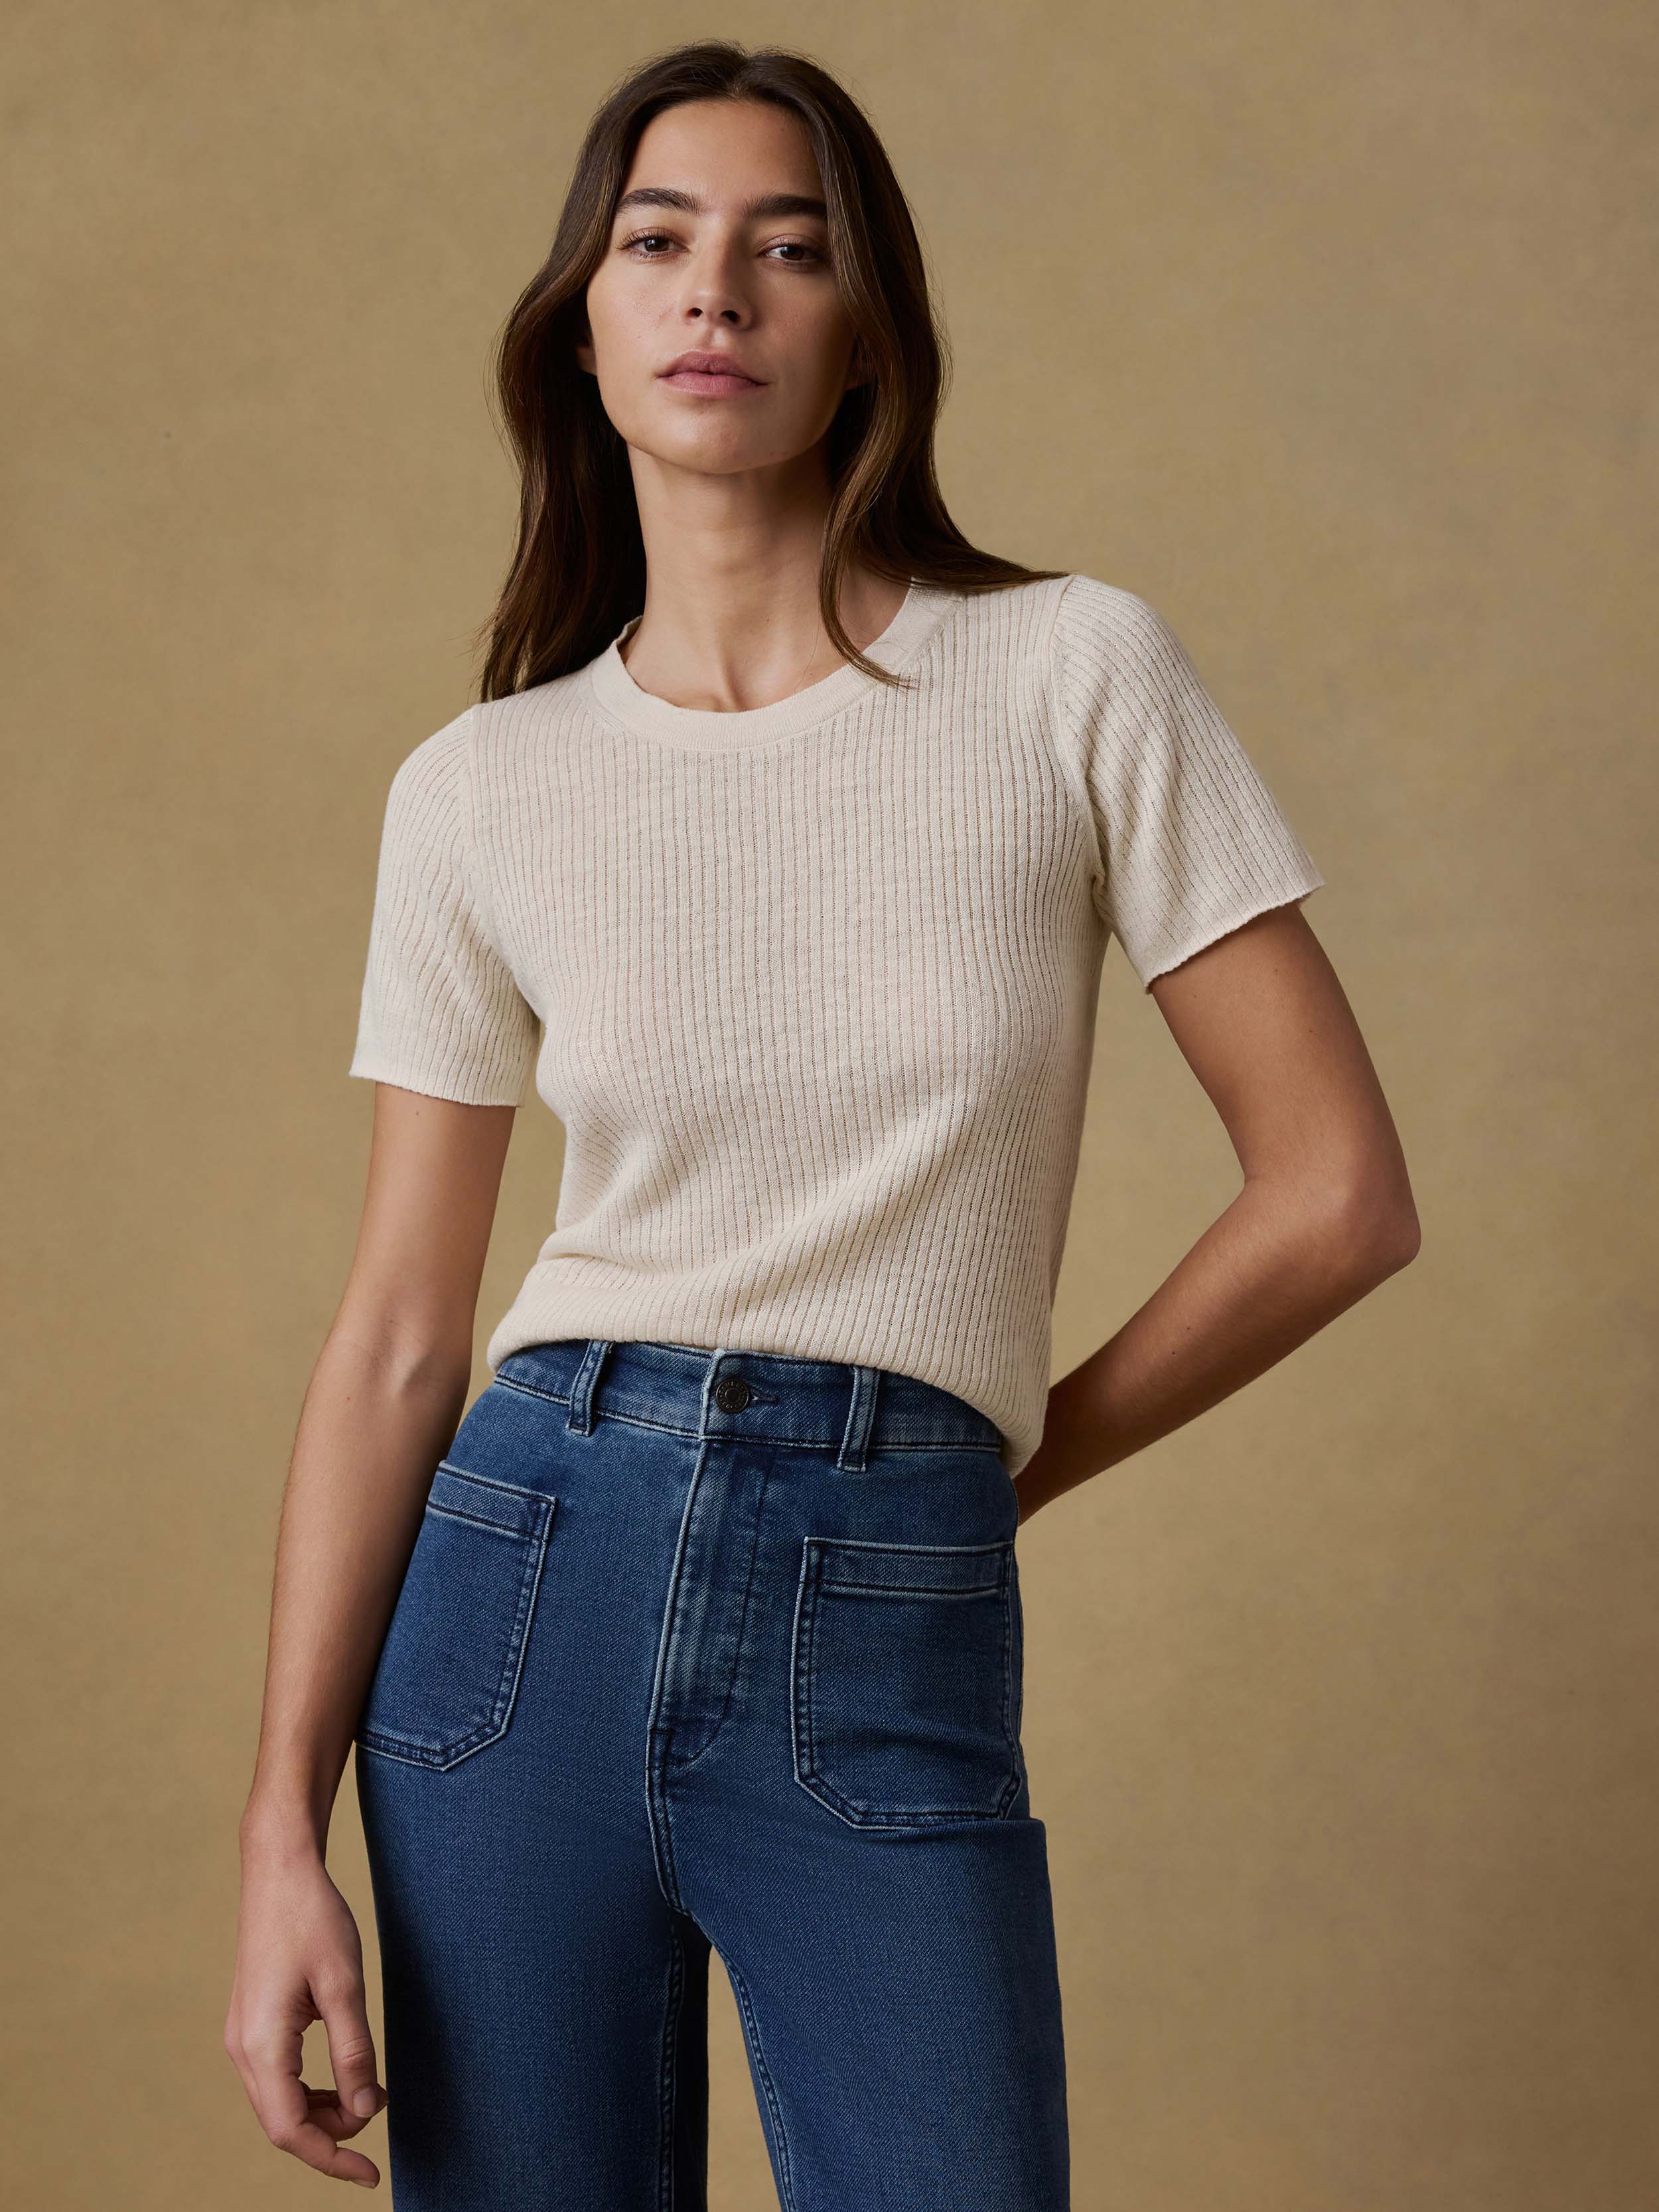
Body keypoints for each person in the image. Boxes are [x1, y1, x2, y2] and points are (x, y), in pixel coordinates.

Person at [224, 38, 1419, 2209]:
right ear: (581, 328)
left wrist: (994, 1464)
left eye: (789, 248)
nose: (717, 291)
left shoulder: (1068, 676)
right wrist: (275, 1835)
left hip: (888, 1577)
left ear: (864, 331)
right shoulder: (480, 791)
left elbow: (1336, 1194)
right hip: (517, 1590)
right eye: (657, 242)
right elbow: (398, 1333)